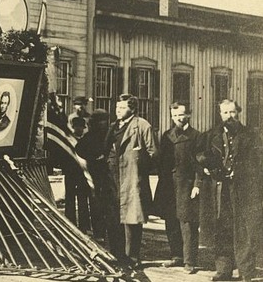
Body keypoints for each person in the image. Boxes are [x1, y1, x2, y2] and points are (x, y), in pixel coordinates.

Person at [197, 100, 263, 282]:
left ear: (238, 113)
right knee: (222, 227)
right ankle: (224, 270)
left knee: (243, 230)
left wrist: (240, 170)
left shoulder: (251, 135)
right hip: (220, 189)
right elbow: (200, 154)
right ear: (220, 114)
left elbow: (259, 162)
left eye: (233, 112)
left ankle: (246, 271)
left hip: (244, 189)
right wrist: (208, 166)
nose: (229, 116)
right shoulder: (212, 135)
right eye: (225, 113)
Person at [105, 94, 156, 268]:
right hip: (113, 178)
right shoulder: (113, 127)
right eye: (117, 107)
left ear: (132, 109)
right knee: (114, 217)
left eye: (122, 107)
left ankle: (132, 257)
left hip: (132, 177)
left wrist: (138, 163)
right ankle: (116, 255)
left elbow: (153, 153)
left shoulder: (142, 126)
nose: (117, 110)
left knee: (132, 219)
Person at [153, 102, 202, 273]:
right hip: (168, 184)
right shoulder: (167, 135)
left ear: (188, 114)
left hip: (186, 185)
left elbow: (200, 164)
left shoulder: (196, 136)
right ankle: (176, 256)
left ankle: (190, 261)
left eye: (181, 115)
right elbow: (160, 161)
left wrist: (197, 185)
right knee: (170, 220)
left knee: (187, 222)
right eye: (174, 116)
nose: (178, 119)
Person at [78, 109, 112, 242]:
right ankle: (99, 232)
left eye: (105, 120)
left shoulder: (110, 135)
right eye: (101, 121)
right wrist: (94, 159)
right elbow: (80, 151)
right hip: (95, 174)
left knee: (105, 204)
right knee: (96, 203)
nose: (103, 123)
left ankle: (103, 232)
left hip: (107, 174)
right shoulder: (90, 137)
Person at [65, 116, 91, 232]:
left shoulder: (86, 140)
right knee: (70, 198)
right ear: (73, 127)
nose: (79, 129)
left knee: (83, 200)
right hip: (70, 173)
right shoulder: (69, 140)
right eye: (77, 127)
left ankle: (84, 226)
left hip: (82, 174)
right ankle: (70, 223)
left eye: (81, 127)